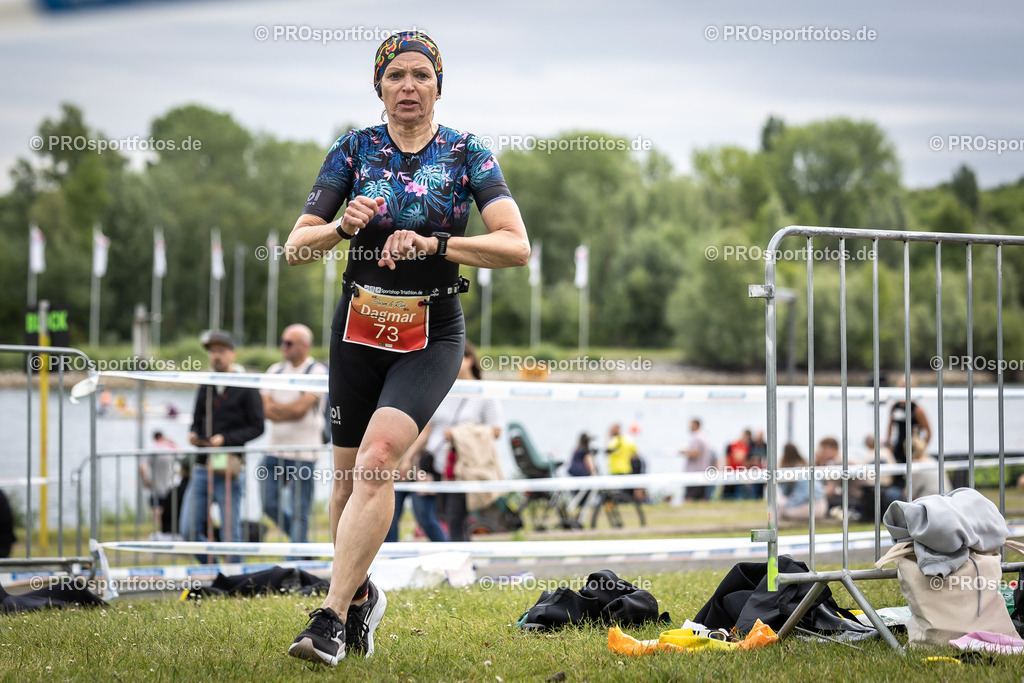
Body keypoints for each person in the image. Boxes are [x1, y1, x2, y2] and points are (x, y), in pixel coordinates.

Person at [282, 31, 529, 666]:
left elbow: (514, 245)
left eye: (422, 75)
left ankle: (329, 618)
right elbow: (295, 245)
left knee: (380, 456)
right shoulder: (354, 148)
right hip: (357, 326)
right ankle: (361, 596)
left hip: (431, 328)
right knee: (345, 488)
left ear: (439, 85)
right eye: (397, 76)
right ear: (379, 86)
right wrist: (342, 226)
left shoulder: (467, 151)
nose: (410, 86)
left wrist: (435, 244)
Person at [397, 342, 502, 543]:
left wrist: (459, 434)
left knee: (456, 521)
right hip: (435, 464)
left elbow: (495, 431)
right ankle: (450, 564)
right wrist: (408, 458)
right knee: (430, 518)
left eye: (457, 358)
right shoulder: (443, 389)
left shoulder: (485, 394)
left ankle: (463, 568)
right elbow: (429, 428)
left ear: (470, 360)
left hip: (460, 468)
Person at [180, 330, 265, 562]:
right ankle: (215, 571)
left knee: (231, 534)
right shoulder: (206, 384)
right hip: (201, 465)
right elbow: (196, 420)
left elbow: (258, 426)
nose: (215, 356)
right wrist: (193, 434)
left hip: (229, 467)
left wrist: (225, 439)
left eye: (220, 351)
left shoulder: (246, 385)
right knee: (187, 530)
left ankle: (235, 583)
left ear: (232, 354)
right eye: (212, 352)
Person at [260, 323, 327, 544]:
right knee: (269, 504)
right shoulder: (274, 370)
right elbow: (266, 410)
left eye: (289, 343)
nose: (283, 346)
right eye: (282, 341)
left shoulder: (316, 371)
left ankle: (297, 560)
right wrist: (286, 409)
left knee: (300, 510)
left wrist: (278, 408)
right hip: (274, 451)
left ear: (304, 346)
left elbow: (300, 410)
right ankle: (301, 547)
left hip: (304, 454)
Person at [885, 376, 932, 488]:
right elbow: (890, 426)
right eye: (901, 389)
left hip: (913, 450)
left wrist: (921, 449)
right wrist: (888, 443)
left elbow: (928, 431)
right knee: (897, 479)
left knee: (912, 480)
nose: (903, 392)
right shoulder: (894, 407)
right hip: (898, 447)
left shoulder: (917, 410)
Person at [139, 431, 179, 538]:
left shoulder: (151, 448)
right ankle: (166, 534)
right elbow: (182, 458)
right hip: (170, 486)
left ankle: (158, 535)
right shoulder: (170, 447)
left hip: (155, 486)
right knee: (168, 513)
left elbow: (142, 467)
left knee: (155, 513)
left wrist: (145, 481)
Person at [778, 442, 827, 521]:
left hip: (810, 507)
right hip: (822, 505)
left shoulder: (789, 470)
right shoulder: (805, 465)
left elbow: (802, 496)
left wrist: (787, 505)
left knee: (781, 508)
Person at [679, 418, 715, 502]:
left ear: (696, 425)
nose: (689, 427)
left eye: (691, 425)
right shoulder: (704, 437)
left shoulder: (697, 438)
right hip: (703, 470)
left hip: (694, 473)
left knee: (689, 498)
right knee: (701, 497)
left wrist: (683, 452)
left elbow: (695, 453)